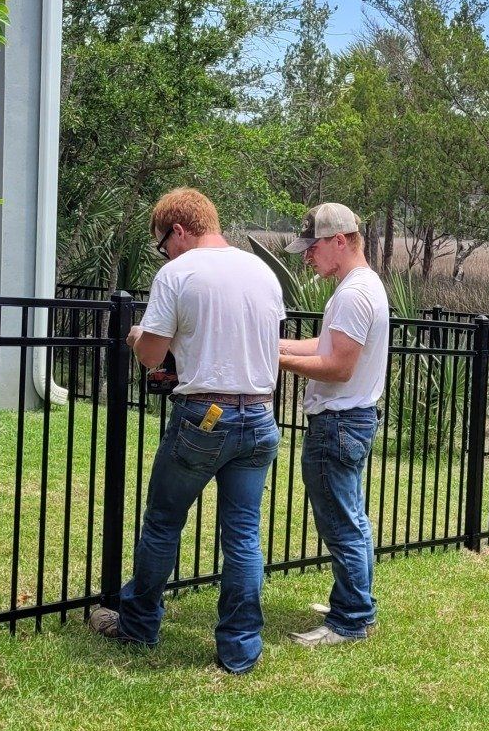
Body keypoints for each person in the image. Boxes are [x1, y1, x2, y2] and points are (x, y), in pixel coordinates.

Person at [87, 188, 284, 675]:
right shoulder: (263, 272)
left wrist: (137, 336)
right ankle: (239, 649)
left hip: (205, 416)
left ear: (177, 231)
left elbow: (153, 355)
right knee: (242, 535)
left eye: (162, 243)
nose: (164, 253)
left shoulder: (177, 273)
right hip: (260, 415)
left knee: (163, 522)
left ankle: (139, 623)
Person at [278, 202, 389, 646]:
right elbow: (326, 345)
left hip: (338, 422)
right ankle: (356, 603)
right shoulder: (362, 286)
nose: (307, 256)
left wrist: (276, 360)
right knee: (353, 519)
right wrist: (275, 341)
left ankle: (350, 619)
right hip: (353, 420)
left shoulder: (352, 294)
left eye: (313, 246)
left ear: (340, 241)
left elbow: (338, 366)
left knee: (342, 524)